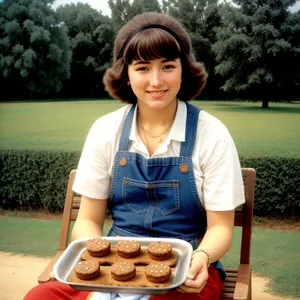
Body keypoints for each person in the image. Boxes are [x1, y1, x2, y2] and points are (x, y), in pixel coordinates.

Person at [24, 11, 244, 300]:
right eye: (142, 68)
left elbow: (220, 228)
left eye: (167, 66)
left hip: (186, 266)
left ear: (183, 69)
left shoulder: (211, 133)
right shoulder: (106, 130)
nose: (156, 81)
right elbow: (88, 219)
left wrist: (202, 256)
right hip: (113, 260)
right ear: (126, 74)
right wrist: (102, 259)